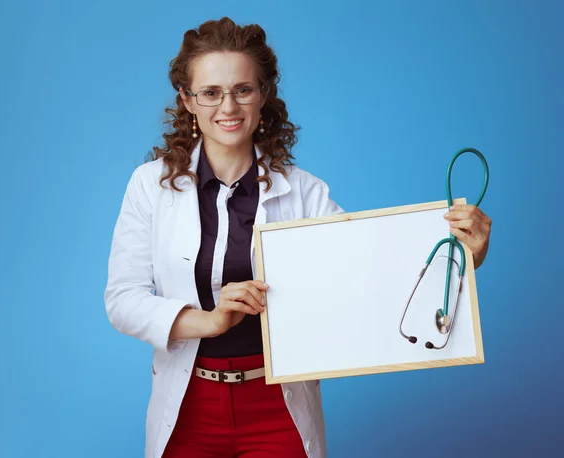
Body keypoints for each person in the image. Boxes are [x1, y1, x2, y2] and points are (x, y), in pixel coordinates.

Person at [104, 17, 493, 458]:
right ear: (187, 100)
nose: (227, 106)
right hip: (189, 405)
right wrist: (208, 320)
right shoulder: (150, 186)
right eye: (211, 92)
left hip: (277, 406)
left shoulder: (306, 192)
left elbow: (374, 279)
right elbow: (123, 299)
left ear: (263, 95)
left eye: (243, 90)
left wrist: (465, 255)